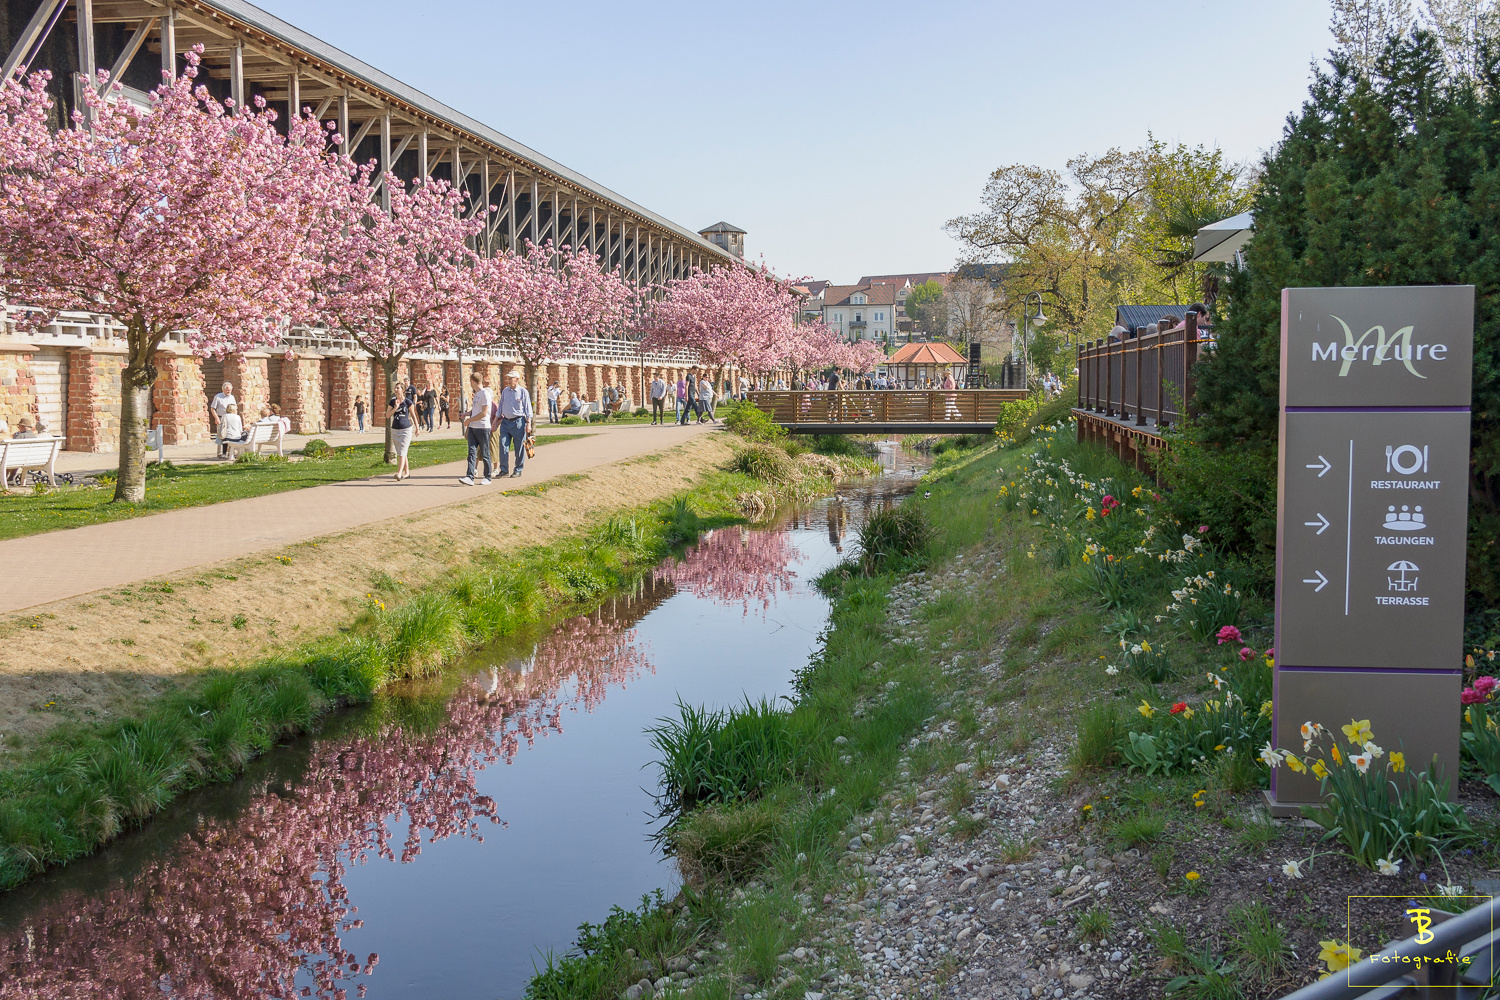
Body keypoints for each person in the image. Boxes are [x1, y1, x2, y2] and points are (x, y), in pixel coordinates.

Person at [495, 367, 533, 478]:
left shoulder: (523, 392)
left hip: (519, 422)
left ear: (516, 379)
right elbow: (500, 407)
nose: (508, 380)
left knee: (519, 447)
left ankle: (518, 469)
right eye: (508, 378)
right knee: (503, 445)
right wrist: (495, 421)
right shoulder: (505, 391)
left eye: (510, 378)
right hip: (506, 422)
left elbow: (528, 408)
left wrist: (529, 423)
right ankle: (504, 469)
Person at [459, 372, 492, 485]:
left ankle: (487, 477)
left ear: (473, 381)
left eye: (470, 382)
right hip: (473, 427)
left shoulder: (485, 394)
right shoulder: (477, 394)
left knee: (485, 452)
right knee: (471, 452)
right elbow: (476, 411)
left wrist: (469, 420)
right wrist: (466, 414)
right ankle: (469, 476)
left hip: (483, 428)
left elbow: (484, 413)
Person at [387, 381, 418, 481]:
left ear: (403, 390)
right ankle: (407, 472)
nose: (396, 390)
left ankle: (399, 473)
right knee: (402, 452)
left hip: (406, 429)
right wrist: (395, 407)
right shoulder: (392, 402)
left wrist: (417, 428)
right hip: (395, 429)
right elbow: (387, 415)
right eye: (395, 388)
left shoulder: (408, 402)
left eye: (398, 388)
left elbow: (413, 415)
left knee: (402, 452)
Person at [209, 381, 236, 458]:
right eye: (227, 389)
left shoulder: (232, 397)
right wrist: (216, 418)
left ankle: (229, 452)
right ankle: (219, 452)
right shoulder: (218, 397)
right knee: (221, 435)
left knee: (230, 435)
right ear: (223, 389)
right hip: (221, 418)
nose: (229, 391)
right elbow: (212, 408)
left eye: (230, 390)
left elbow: (235, 408)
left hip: (230, 418)